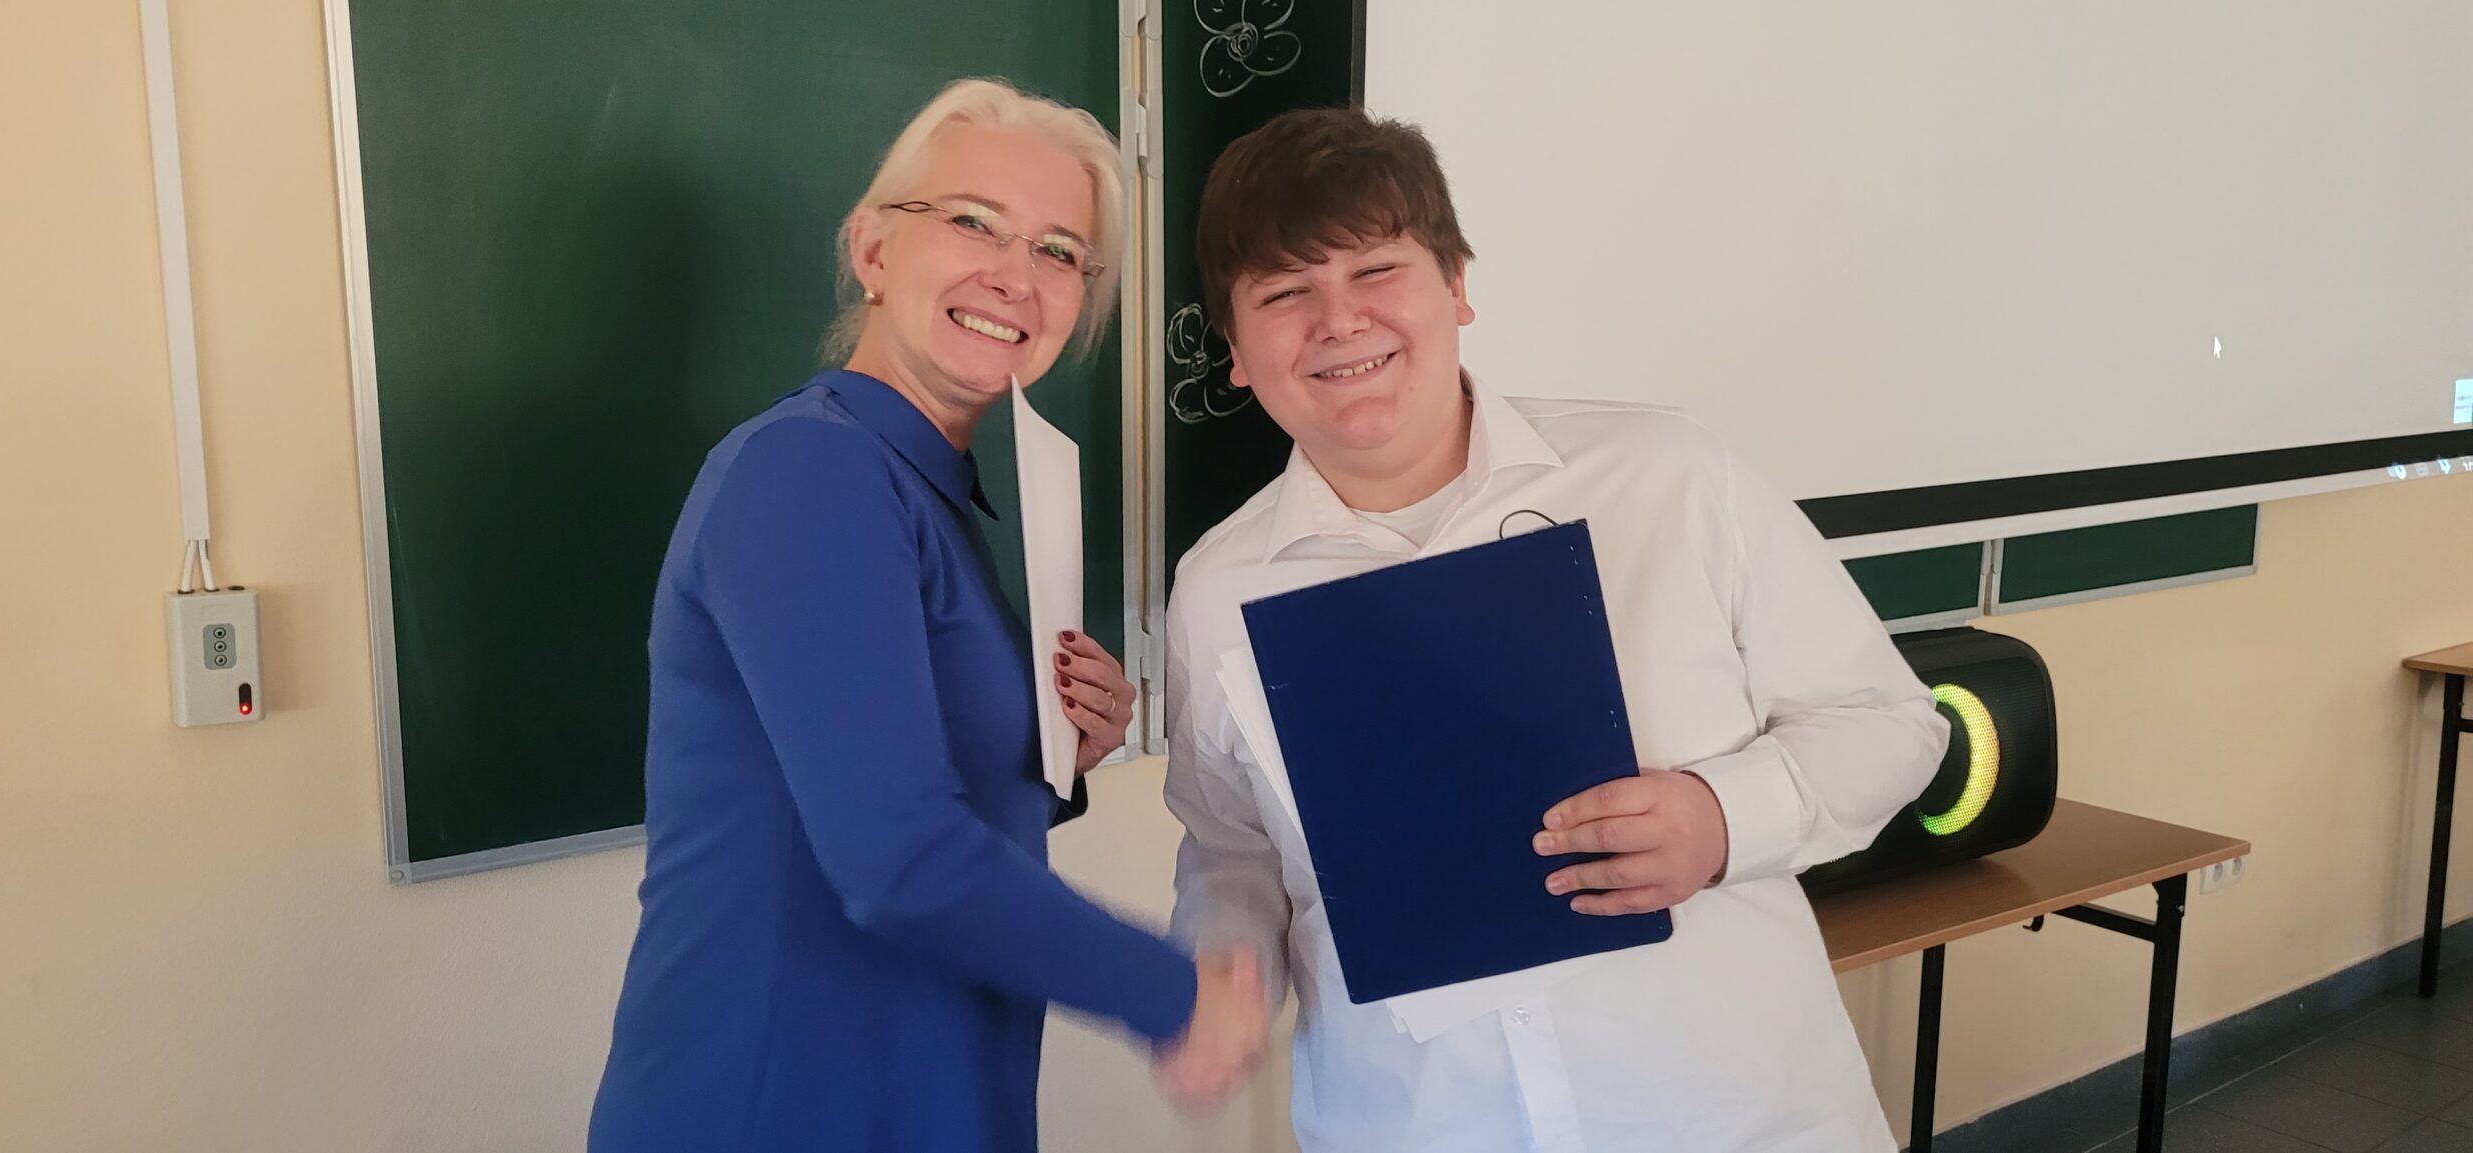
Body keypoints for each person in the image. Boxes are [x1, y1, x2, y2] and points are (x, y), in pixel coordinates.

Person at [1162, 107, 1950, 1151]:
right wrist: (1221, 964)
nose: (1339, 320)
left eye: (1377, 270)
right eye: (1283, 292)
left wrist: (1721, 819)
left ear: (1456, 285)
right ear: (1234, 350)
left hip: (1732, 1119)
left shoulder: (1667, 476)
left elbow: (1891, 723)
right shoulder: (1218, 588)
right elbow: (1231, 848)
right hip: (1417, 1126)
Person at [587, 78, 1266, 1153]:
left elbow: (871, 786)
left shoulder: (926, 488)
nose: (1014, 274)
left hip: (922, 1091)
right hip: (785, 1108)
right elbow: (897, 855)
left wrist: (1048, 749)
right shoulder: (812, 472)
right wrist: (1175, 994)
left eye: (1058, 251)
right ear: (872, 249)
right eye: (971, 222)